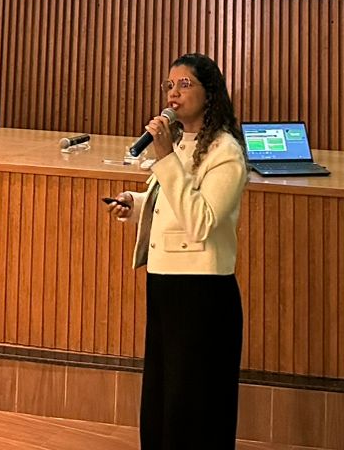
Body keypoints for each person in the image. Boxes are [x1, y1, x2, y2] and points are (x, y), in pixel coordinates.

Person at [109, 54, 247, 450]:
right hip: (166, 283)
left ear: (210, 93)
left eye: (184, 85)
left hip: (202, 292)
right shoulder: (179, 143)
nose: (174, 93)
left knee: (193, 401)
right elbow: (172, 201)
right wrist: (135, 204)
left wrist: (164, 157)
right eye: (170, 85)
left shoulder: (226, 152)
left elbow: (201, 221)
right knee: (164, 395)